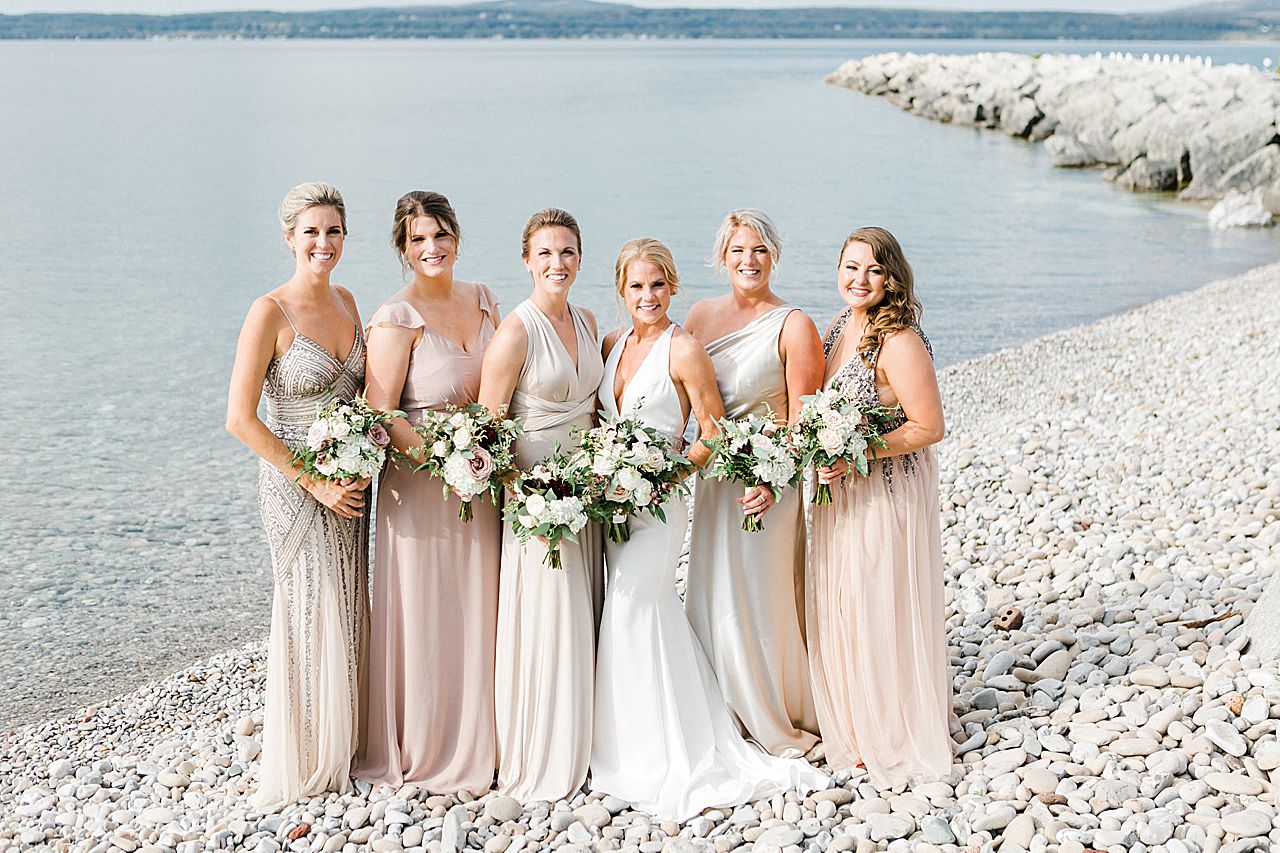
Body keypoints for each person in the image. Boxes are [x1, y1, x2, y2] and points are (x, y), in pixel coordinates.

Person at [590, 239, 829, 820]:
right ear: (620, 292)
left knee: (634, 605)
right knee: (627, 612)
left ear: (673, 288)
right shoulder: (610, 344)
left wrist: (666, 473)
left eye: (657, 285)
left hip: (659, 503)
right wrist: (599, 471)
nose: (647, 297)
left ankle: (665, 748)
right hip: (611, 504)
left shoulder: (685, 348)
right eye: (636, 287)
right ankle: (624, 735)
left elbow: (714, 432)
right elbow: (599, 422)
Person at [226, 182, 369, 806]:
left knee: (350, 598)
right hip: (295, 487)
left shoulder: (348, 300)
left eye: (333, 231)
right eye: (311, 232)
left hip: (352, 481)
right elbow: (240, 418)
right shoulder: (270, 312)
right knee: (311, 606)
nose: (323, 243)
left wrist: (364, 460)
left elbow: (361, 400)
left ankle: (351, 742)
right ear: (289, 238)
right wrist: (313, 479)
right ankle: (310, 757)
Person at [355, 191, 501, 792]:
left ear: (457, 239)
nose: (432, 248)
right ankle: (426, 740)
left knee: (483, 606)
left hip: (485, 481)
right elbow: (379, 411)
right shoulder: (395, 318)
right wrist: (443, 462)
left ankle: (488, 735)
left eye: (440, 236)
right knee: (428, 610)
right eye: (418, 240)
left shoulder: (485, 298)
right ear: (403, 249)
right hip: (420, 489)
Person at [809, 226, 953, 787]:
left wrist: (857, 451)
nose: (859, 280)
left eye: (872, 270)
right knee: (844, 600)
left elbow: (929, 426)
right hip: (842, 488)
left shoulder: (899, 341)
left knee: (878, 599)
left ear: (892, 277)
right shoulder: (842, 326)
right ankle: (854, 718)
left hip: (885, 487)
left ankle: (892, 727)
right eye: (850, 267)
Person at [682, 209, 823, 758]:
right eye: (739, 250)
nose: (749, 261)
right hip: (715, 480)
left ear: (775, 256)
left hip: (770, 484)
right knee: (713, 587)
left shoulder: (794, 325)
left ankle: (772, 707)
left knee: (760, 598)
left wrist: (772, 478)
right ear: (723, 257)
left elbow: (802, 419)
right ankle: (715, 705)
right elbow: (688, 404)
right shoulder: (698, 316)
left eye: (759, 251)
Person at [478, 208, 604, 802]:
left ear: (581, 258)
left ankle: (595, 733)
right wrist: (526, 498)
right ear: (527, 260)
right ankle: (544, 746)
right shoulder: (515, 331)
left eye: (568, 252)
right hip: (538, 504)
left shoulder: (590, 319)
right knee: (549, 616)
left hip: (590, 493)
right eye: (546, 254)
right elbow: (487, 429)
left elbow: (601, 412)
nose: (558, 263)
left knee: (589, 607)